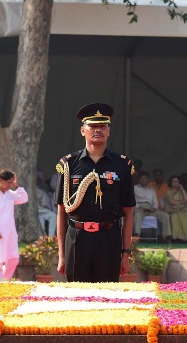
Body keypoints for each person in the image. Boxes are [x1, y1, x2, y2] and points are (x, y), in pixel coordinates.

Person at [54, 103, 136, 282]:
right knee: (77, 297)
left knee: (107, 297)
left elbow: (128, 212)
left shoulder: (122, 165)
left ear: (108, 131)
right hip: (77, 238)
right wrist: (61, 255)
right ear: (83, 130)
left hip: (109, 238)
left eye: (102, 126)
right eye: (92, 126)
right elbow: (61, 210)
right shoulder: (68, 164)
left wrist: (125, 254)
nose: (98, 130)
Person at [132, 171, 172, 241]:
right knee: (137, 215)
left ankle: (166, 236)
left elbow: (155, 202)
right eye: (142, 178)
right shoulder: (135, 188)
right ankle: (136, 236)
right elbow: (131, 200)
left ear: (148, 180)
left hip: (150, 208)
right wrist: (139, 207)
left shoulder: (151, 190)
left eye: (145, 178)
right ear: (139, 179)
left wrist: (154, 208)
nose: (143, 180)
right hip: (139, 206)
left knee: (165, 215)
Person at [164, 175, 187, 242]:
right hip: (172, 210)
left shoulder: (181, 190)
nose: (175, 183)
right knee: (175, 216)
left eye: (177, 181)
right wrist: (182, 202)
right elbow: (171, 202)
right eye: (173, 181)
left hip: (183, 210)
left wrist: (182, 189)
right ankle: (176, 238)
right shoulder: (168, 191)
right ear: (171, 182)